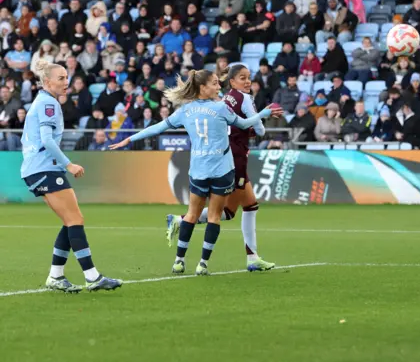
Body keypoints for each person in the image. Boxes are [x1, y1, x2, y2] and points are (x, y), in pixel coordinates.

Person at [110, 69, 282, 275]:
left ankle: (179, 261)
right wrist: (263, 114)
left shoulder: (186, 110)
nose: (219, 88)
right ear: (203, 87)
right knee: (216, 216)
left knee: (193, 214)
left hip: (198, 170)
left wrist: (130, 138)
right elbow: (245, 124)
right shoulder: (221, 108)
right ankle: (203, 264)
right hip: (221, 169)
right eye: (216, 84)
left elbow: (158, 127)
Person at [164, 64, 278, 272]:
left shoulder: (225, 99)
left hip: (227, 154)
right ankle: (182, 221)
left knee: (248, 205)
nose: (247, 82)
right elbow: (260, 130)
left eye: (248, 78)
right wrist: (261, 118)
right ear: (232, 81)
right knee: (229, 211)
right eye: (242, 78)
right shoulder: (244, 99)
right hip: (232, 159)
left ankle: (252, 257)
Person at [21, 59, 122, 293]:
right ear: (47, 82)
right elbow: (46, 139)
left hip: (39, 168)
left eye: (67, 77)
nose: (66, 82)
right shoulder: (48, 103)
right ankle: (92, 277)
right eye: (61, 78)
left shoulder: (44, 101)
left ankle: (56, 276)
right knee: (75, 220)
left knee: (70, 221)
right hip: (44, 168)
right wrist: (69, 164)